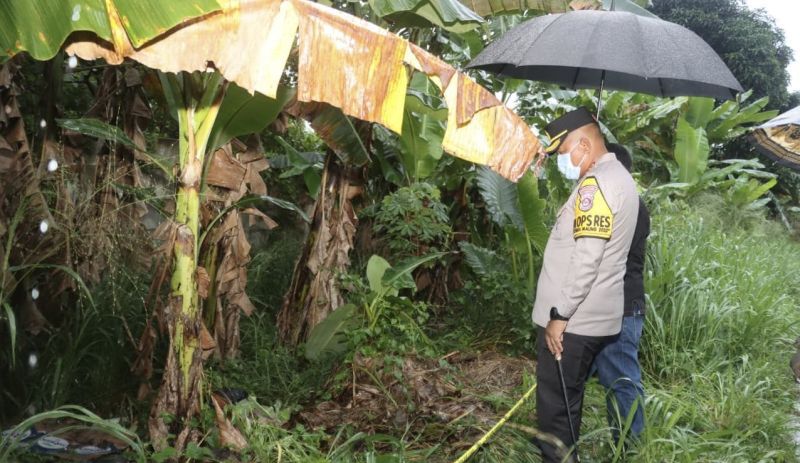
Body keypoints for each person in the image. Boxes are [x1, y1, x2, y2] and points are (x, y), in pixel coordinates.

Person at [532, 108, 639, 462]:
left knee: (556, 417)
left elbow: (588, 258)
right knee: (568, 404)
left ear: (582, 143)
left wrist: (559, 316)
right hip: (595, 319)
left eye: (563, 154)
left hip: (573, 324)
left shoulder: (596, 184)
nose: (563, 161)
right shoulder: (618, 177)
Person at [591, 143, 650, 441]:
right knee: (568, 375)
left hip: (618, 307)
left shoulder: (625, 204)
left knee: (622, 379)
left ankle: (630, 449)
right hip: (605, 307)